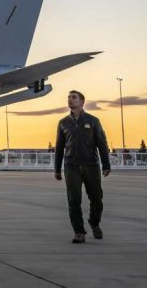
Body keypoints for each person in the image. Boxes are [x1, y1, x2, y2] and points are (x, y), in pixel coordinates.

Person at [54, 90, 111, 243]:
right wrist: (57, 169)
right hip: (71, 166)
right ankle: (79, 232)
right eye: (69, 98)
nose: (70, 100)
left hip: (91, 165)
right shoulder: (63, 123)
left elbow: (102, 144)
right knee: (73, 200)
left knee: (97, 198)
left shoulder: (93, 121)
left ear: (82, 102)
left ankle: (94, 222)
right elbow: (59, 147)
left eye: (74, 98)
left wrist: (106, 164)